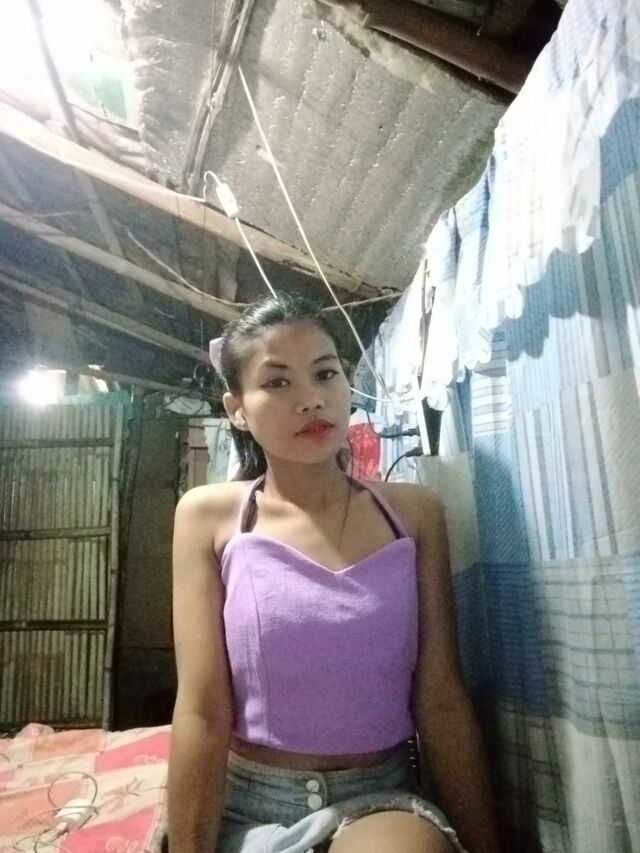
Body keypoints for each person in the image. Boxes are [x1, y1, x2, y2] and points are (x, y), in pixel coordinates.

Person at [167, 293, 500, 853]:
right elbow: (202, 709)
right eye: (277, 382)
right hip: (248, 805)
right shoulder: (210, 517)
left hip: (379, 802)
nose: (311, 399)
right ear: (236, 409)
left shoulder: (413, 514)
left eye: (325, 374)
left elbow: (440, 697)